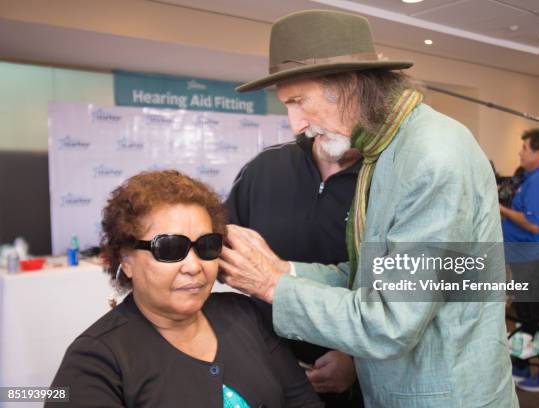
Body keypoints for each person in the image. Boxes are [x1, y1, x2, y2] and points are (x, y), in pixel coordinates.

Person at [220, 10, 518, 407]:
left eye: (299, 102)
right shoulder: (385, 149)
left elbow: (390, 321)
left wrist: (273, 286)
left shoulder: (432, 156)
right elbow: (372, 272)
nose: (295, 124)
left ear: (349, 85)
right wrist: (282, 268)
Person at [46, 170, 322, 408]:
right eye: (169, 249)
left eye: (206, 246)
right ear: (126, 259)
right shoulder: (95, 360)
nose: (194, 266)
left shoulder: (245, 315)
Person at [225, 132, 364, 407]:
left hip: (354, 386)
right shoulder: (265, 168)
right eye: (291, 103)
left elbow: (398, 293)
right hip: (266, 370)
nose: (300, 122)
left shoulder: (387, 177)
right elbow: (218, 245)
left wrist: (360, 363)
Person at [500, 129, 539, 392]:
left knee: (532, 318)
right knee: (527, 316)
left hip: (533, 260)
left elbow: (533, 225)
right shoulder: (534, 178)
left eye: (524, 148)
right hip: (527, 258)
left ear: (538, 153)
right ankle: (521, 365)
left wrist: (500, 208)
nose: (520, 152)